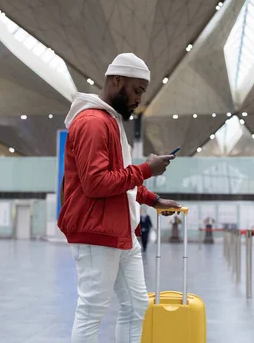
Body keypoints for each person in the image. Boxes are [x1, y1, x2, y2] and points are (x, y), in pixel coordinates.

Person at [58, 52, 181, 343]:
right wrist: (145, 169)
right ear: (116, 81)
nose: (139, 99)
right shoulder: (92, 122)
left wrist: (153, 200)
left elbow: (119, 180)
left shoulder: (110, 122)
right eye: (137, 90)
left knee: (136, 306)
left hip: (120, 230)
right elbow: (96, 183)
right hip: (95, 232)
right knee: (91, 311)